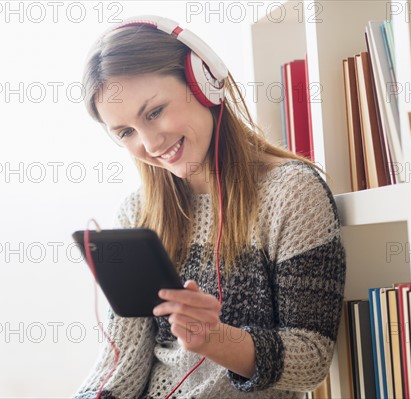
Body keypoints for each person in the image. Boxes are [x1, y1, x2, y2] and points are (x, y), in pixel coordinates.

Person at [74, 15, 346, 399]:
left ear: (203, 82)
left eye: (154, 112)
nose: (150, 144)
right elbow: (119, 368)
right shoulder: (137, 212)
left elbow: (312, 359)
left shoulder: (292, 192)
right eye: (126, 132)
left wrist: (215, 339)